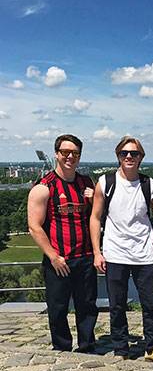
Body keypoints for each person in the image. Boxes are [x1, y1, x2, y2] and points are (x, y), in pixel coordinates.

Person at [90, 137, 153, 365]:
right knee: (117, 305)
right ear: (118, 156)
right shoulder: (105, 182)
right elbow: (95, 217)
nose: (129, 157)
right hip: (115, 253)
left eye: (134, 153)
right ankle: (120, 348)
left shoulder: (149, 184)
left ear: (141, 157)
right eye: (125, 153)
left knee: (150, 305)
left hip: (145, 255)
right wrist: (97, 251)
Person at [28, 134, 98, 353]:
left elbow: (98, 217)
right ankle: (62, 348)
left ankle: (87, 346)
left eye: (75, 153)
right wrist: (53, 256)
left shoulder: (86, 183)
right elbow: (34, 227)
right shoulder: (44, 187)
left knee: (87, 307)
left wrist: (95, 199)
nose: (70, 157)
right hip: (59, 259)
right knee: (58, 309)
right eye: (65, 152)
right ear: (57, 154)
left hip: (85, 257)